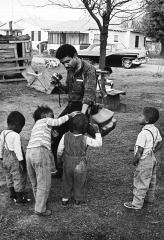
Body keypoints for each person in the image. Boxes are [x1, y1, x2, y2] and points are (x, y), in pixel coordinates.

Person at [52, 44, 97, 178]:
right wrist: (58, 84)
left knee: (76, 141)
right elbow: (70, 90)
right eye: (63, 63)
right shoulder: (70, 69)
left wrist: (81, 117)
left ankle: (77, 172)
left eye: (67, 61)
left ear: (75, 56)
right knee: (55, 133)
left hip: (84, 107)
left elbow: (89, 95)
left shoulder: (88, 69)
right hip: (72, 106)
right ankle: (61, 169)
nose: (65, 65)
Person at [26, 105, 76, 216]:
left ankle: (40, 201)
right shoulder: (46, 120)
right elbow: (58, 122)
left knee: (35, 181)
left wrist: (53, 136)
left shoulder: (36, 126)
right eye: (51, 115)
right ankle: (40, 209)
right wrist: (69, 116)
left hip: (29, 152)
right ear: (43, 115)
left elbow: (45, 140)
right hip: (40, 152)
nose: (52, 117)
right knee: (44, 182)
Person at [57, 113, 102, 206]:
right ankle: (78, 199)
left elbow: (60, 150)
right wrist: (97, 131)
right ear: (85, 128)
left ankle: (65, 199)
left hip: (67, 162)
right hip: (80, 164)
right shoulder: (85, 138)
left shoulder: (65, 136)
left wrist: (59, 158)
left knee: (66, 180)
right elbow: (98, 143)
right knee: (80, 181)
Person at [124, 107, 162, 210]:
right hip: (152, 158)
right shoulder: (155, 129)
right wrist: (153, 150)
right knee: (151, 179)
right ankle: (149, 198)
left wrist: (135, 160)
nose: (138, 116)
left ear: (146, 120)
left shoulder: (143, 134)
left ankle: (136, 204)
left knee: (141, 181)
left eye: (140, 115)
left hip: (144, 161)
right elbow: (160, 142)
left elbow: (140, 150)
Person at [0, 111, 30, 204]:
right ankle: (20, 198)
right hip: (14, 159)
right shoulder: (16, 135)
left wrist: (1, 157)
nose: (21, 129)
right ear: (16, 125)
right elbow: (18, 150)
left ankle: (12, 194)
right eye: (21, 127)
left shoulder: (3, 133)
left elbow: (0, 146)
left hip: (4, 158)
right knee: (18, 177)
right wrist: (21, 161)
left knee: (8, 176)